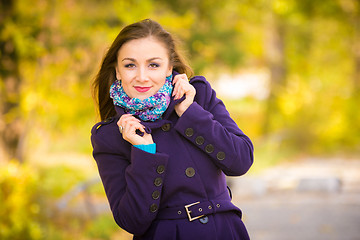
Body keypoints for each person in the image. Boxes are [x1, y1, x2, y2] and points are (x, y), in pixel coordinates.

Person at [91, 19, 254, 240]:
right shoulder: (110, 136)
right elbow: (132, 221)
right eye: (130, 65)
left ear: (169, 68)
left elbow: (241, 161)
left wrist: (190, 113)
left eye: (153, 65)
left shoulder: (199, 97)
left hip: (224, 231)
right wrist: (144, 153)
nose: (141, 76)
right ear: (118, 71)